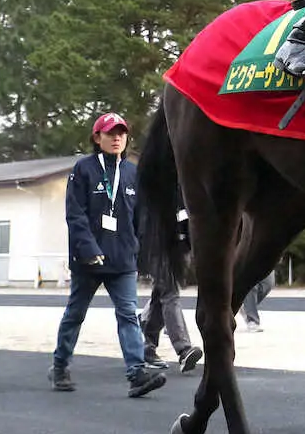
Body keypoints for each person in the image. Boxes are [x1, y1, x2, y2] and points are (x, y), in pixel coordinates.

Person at [48, 112, 166, 398]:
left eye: (122, 133)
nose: (117, 138)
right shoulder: (83, 169)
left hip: (122, 260)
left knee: (128, 314)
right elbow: (75, 215)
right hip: (88, 260)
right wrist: (89, 250)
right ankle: (60, 364)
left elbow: (141, 217)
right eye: (110, 133)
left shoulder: (131, 173)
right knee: (76, 313)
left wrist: (143, 252)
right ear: (96, 137)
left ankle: (137, 374)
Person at [139, 273, 202, 372]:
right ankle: (183, 349)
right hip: (161, 257)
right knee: (169, 292)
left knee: (161, 291)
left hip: (170, 258)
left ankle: (148, 344)